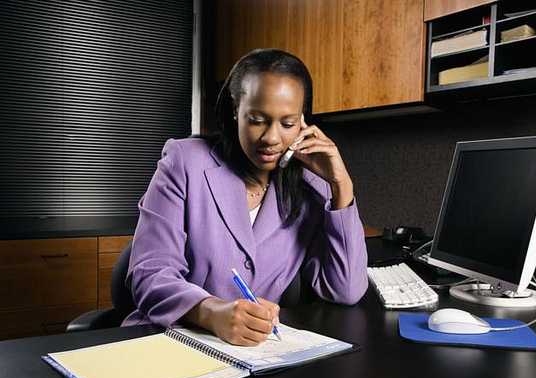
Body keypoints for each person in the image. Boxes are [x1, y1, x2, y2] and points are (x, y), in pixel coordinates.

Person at [122, 48, 368, 346]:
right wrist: (211, 312)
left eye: (287, 123)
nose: (271, 138)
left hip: (252, 355)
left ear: (303, 122)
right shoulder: (185, 161)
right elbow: (150, 274)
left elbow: (346, 290)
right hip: (168, 341)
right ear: (236, 109)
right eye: (257, 119)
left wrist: (341, 185)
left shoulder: (310, 187)